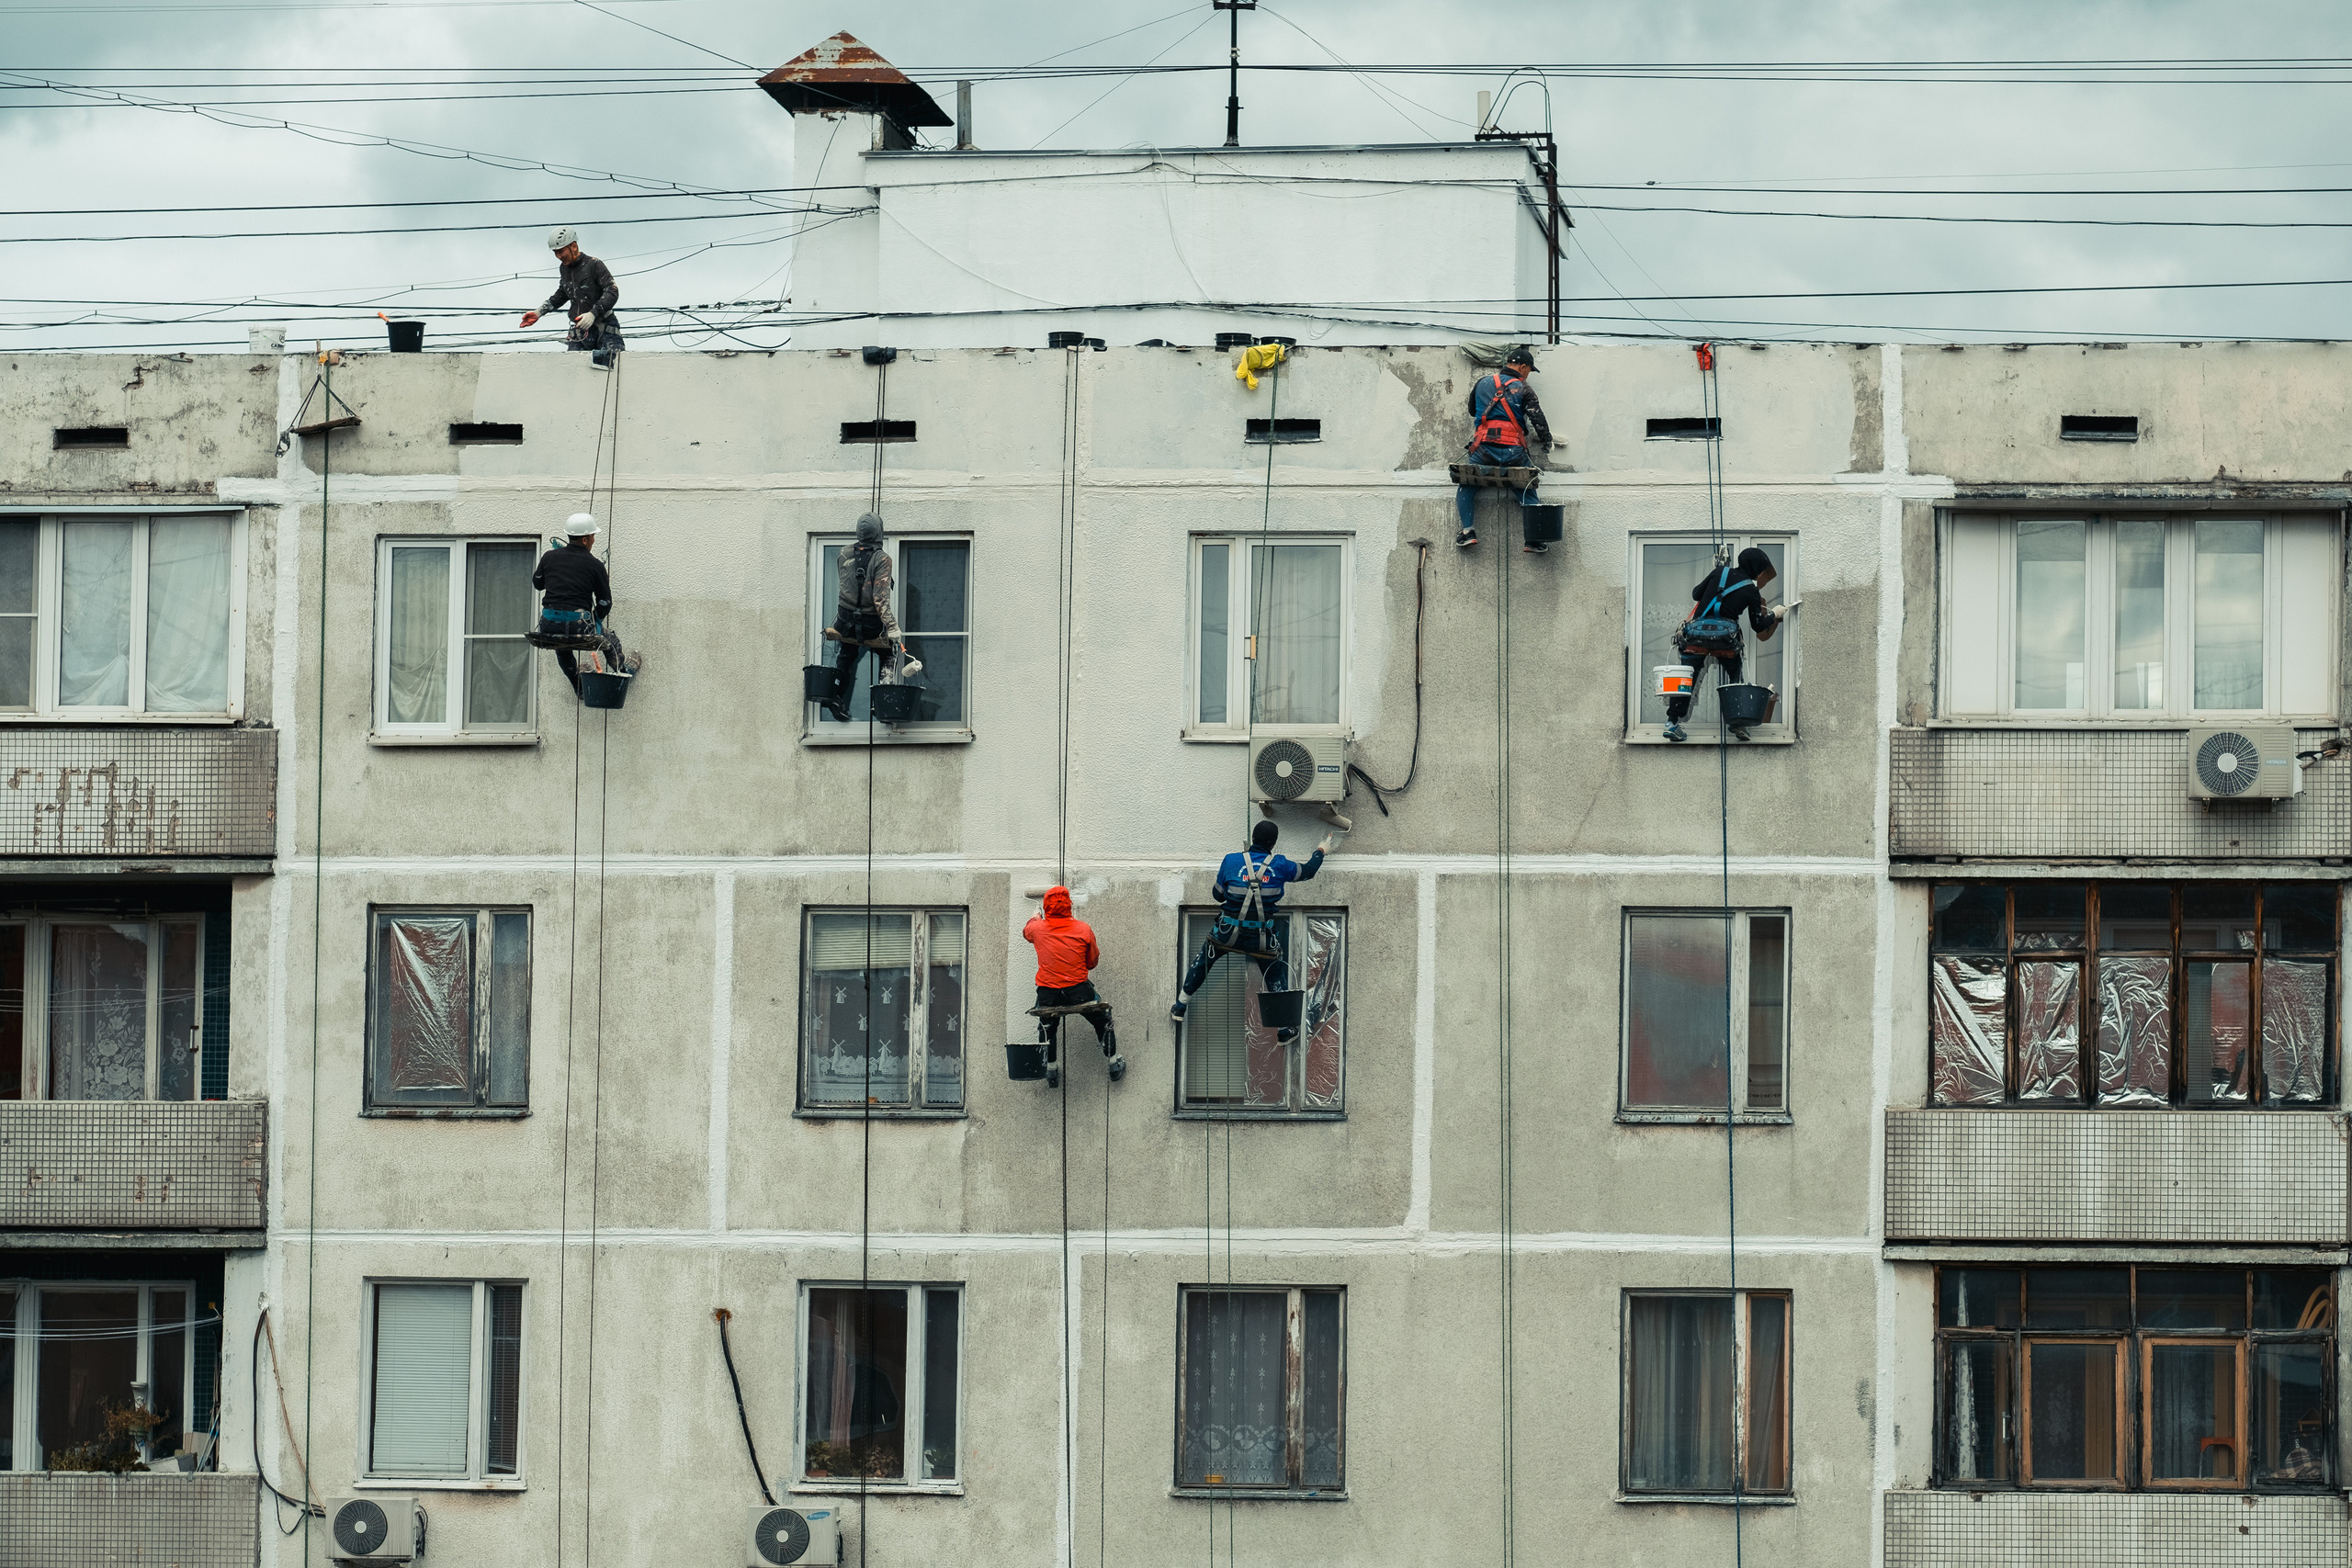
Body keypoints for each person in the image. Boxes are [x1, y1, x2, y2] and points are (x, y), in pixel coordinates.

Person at [1170, 819, 1335, 1041]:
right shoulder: (1281, 865)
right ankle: (1284, 1030)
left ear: (1253, 839)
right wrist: (1321, 850)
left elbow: (1218, 895)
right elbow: (1308, 871)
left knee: (1203, 962)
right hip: (1261, 939)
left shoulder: (1231, 861)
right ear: (1273, 843)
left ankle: (1180, 1006)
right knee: (1274, 972)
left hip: (1226, 934)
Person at [1667, 547, 1782, 743]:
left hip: (1696, 639)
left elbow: (1696, 594)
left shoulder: (1719, 572)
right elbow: (1757, 625)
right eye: (1761, 570)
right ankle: (1737, 722)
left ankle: (1672, 722)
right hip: (1725, 643)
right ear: (1756, 569)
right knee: (1735, 676)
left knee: (1686, 677)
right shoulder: (1751, 590)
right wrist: (1774, 615)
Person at [1455, 346, 1553, 552]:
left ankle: (1467, 532)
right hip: (1514, 452)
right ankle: (1533, 540)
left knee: (1467, 485)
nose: (1528, 375)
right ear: (1523, 367)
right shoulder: (1524, 388)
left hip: (1484, 450)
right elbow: (1537, 418)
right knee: (1527, 488)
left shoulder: (1482, 383)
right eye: (1529, 370)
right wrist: (1547, 441)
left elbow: (1472, 410)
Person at [533, 513, 639, 695]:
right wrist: (595, 620)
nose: (593, 540)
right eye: (592, 536)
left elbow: (538, 584)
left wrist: (554, 570)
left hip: (548, 626)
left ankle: (579, 687)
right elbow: (605, 602)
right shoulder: (595, 565)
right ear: (584, 539)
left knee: (561, 646)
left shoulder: (549, 557)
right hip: (579, 625)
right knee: (610, 640)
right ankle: (623, 672)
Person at [1023, 886, 1122, 1080]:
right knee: (1102, 1020)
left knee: (1047, 1027)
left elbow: (1027, 933)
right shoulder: (1083, 929)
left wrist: (1035, 917)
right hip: (1078, 991)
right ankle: (1114, 1064)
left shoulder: (1036, 928)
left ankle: (1050, 1070)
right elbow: (1092, 963)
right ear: (1069, 905)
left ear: (1046, 907)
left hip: (1048, 993)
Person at [824, 512, 905, 723]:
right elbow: (880, 599)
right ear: (879, 532)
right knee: (888, 654)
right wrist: (892, 627)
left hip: (845, 621)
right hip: (871, 624)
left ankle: (837, 697)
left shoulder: (844, 553)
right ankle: (882, 702)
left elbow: (845, 584)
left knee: (846, 654)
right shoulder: (882, 559)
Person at [519, 227, 623, 367]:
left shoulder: (594, 264)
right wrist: (539, 312)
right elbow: (562, 294)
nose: (558, 256)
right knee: (573, 369)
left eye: (561, 251)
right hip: (581, 332)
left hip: (604, 328)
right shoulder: (564, 269)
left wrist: (593, 314)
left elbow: (612, 291)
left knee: (614, 366)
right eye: (555, 252)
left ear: (573, 246)